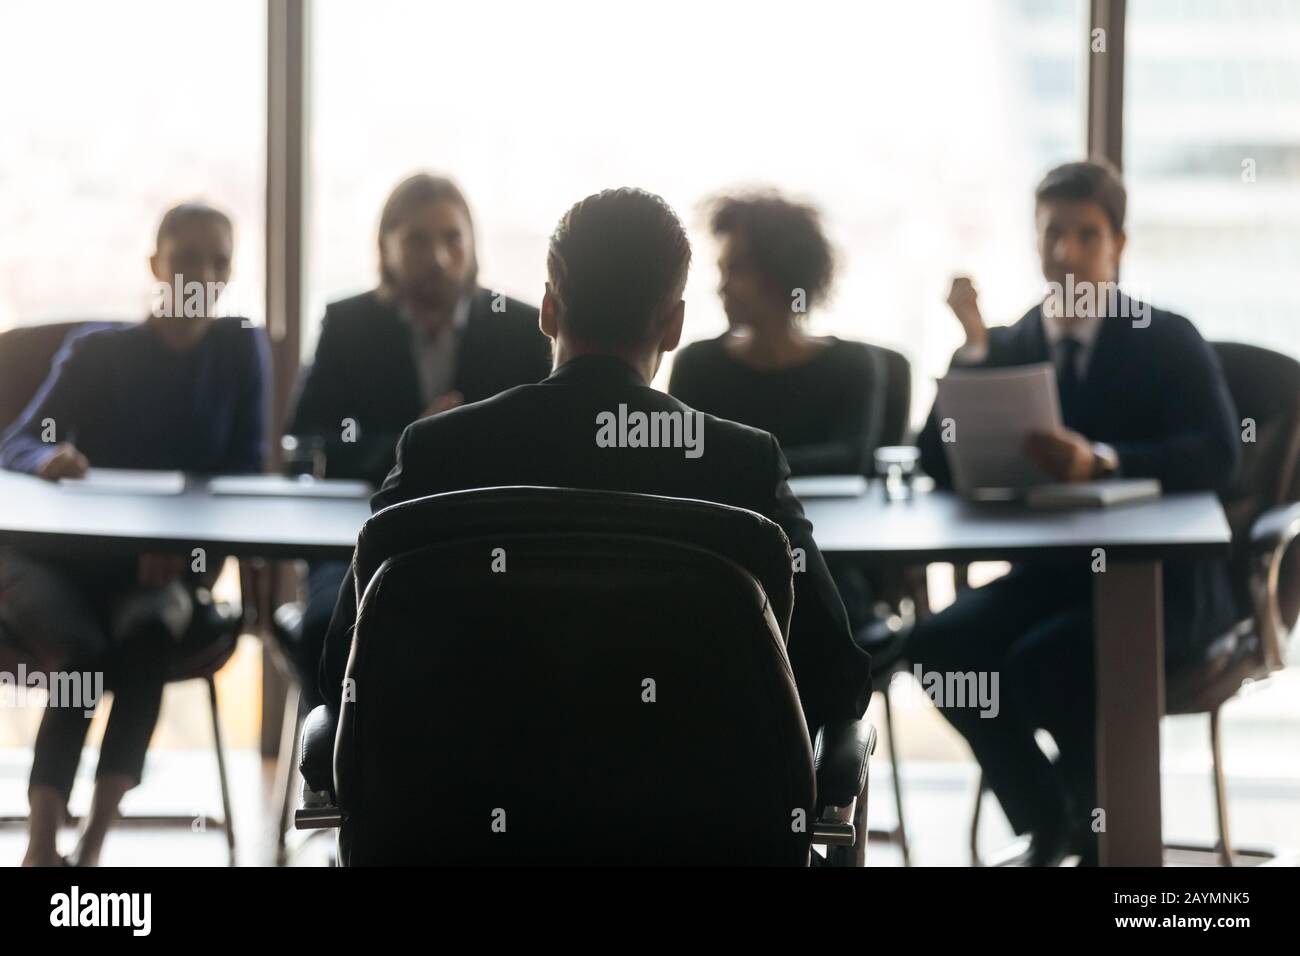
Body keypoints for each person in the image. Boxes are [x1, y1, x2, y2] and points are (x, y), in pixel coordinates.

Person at [319, 187, 872, 740]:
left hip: (460, 808)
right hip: (691, 815)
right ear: (674, 326)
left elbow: (341, 668)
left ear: (549, 310)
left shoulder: (435, 452)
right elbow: (839, 681)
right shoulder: (743, 464)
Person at [909, 160, 1240, 865]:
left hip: (1162, 586)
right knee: (937, 648)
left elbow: (1219, 454)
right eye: (1051, 233)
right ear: (1034, 242)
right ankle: (1050, 819)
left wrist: (1105, 459)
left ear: (1117, 245)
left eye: (1084, 235)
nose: (1065, 252)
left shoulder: (1165, 336)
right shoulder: (1011, 342)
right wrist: (971, 349)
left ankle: (1098, 841)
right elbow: (934, 463)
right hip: (1055, 577)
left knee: (1047, 662)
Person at [0, 202, 269, 866]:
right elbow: (19, 441)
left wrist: (184, 557)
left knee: (146, 640)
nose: (201, 273)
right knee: (85, 657)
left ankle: (90, 845)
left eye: (218, 260)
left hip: (165, 573)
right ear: (156, 264)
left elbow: (244, 470)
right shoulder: (99, 351)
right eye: (185, 257)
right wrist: (50, 459)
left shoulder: (239, 349)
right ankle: (42, 845)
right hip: (67, 567)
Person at [283, 173, 551, 709]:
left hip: (485, 540)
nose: (439, 257)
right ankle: (343, 781)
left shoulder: (521, 328)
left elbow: (544, 443)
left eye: (453, 238)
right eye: (418, 240)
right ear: (385, 247)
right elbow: (309, 437)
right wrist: (415, 441)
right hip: (356, 537)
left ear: (473, 246)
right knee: (326, 632)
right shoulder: (348, 323)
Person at [668, 191, 884, 477]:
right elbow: (681, 460)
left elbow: (851, 460)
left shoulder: (852, 365)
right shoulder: (695, 364)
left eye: (737, 271)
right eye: (722, 272)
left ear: (781, 275)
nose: (722, 288)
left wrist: (737, 462)